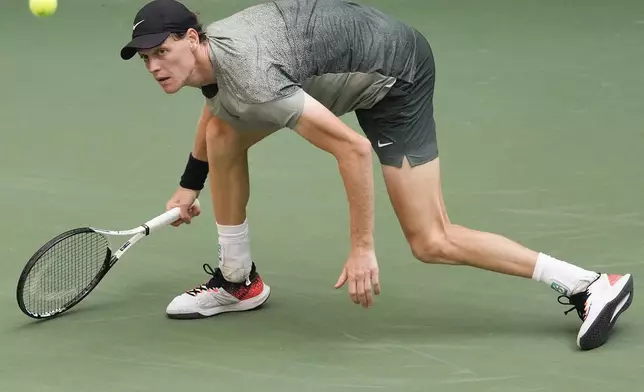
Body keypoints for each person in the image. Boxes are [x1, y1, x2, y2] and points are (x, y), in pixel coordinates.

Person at [119, 0, 633, 350]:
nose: (155, 68)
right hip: (337, 53)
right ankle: (239, 282)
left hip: (395, 75)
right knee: (224, 136)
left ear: (192, 39)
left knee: (431, 239)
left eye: (162, 53)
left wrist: (362, 246)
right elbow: (217, 110)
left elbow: (353, 150)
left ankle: (590, 284)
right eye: (146, 59)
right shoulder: (215, 61)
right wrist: (189, 185)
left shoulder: (249, 76)